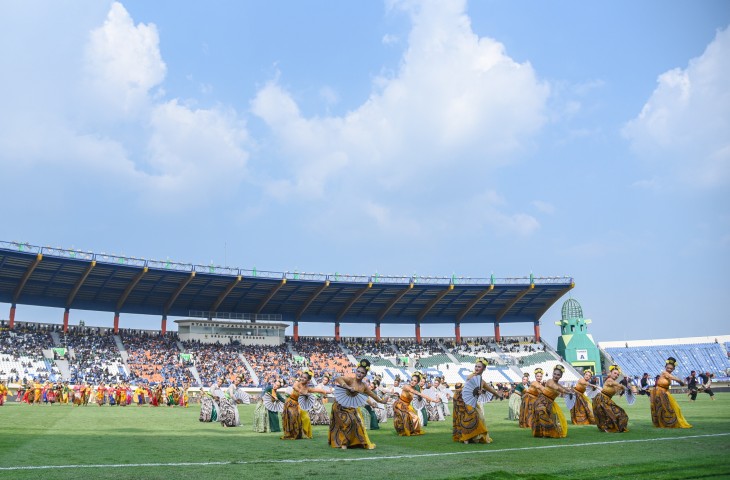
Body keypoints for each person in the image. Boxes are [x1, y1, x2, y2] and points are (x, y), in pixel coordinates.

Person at [328, 359, 386, 449]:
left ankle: (354, 442)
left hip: (351, 408)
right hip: (340, 406)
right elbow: (338, 378)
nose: (359, 374)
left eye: (362, 373)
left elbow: (370, 395)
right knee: (348, 420)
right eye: (358, 371)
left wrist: (380, 402)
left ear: (365, 375)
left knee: (357, 422)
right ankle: (343, 443)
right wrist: (347, 387)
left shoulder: (364, 386)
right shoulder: (350, 380)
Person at [452, 358, 504, 444]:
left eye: (479, 367)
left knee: (479, 418)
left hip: (472, 401)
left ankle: (471, 437)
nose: (476, 368)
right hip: (463, 399)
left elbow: (491, 390)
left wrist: (498, 395)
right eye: (475, 366)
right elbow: (469, 382)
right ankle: (466, 438)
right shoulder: (471, 376)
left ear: (484, 368)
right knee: (469, 417)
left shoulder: (482, 381)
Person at [281, 368, 329, 440]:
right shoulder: (298, 383)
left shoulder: (307, 388)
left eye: (305, 378)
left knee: (306, 418)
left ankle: (304, 434)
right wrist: (302, 391)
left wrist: (324, 391)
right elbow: (294, 387)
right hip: (290, 403)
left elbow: (316, 390)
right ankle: (292, 434)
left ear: (308, 380)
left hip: (298, 405)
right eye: (302, 377)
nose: (302, 379)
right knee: (293, 417)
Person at [532, 365, 574, 438]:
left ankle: (546, 434)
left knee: (550, 419)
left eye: (558, 375)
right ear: (552, 374)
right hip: (542, 401)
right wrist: (567, 392)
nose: (556, 376)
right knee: (543, 415)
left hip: (550, 403)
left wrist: (571, 391)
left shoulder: (559, 384)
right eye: (554, 374)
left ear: (561, 376)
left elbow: (563, 388)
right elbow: (556, 388)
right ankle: (546, 433)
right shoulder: (549, 381)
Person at [650, 357, 691, 429]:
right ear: (665, 367)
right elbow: (673, 378)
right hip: (659, 392)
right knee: (663, 409)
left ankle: (667, 423)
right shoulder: (664, 373)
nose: (669, 369)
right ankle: (664, 423)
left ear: (673, 369)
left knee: (670, 408)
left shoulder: (668, 375)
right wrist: (681, 382)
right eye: (668, 368)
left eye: (671, 369)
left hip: (664, 392)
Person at [393, 372, 436, 436]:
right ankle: (403, 431)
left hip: (407, 406)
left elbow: (420, 395)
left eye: (415, 381)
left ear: (417, 383)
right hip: (400, 405)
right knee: (405, 417)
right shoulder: (406, 387)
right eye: (412, 380)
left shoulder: (415, 389)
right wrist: (432, 400)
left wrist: (433, 400)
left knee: (415, 418)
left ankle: (413, 431)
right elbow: (417, 393)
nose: (412, 382)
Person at [593, 365, 629, 433]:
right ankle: (608, 428)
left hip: (607, 399)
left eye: (618, 374)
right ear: (610, 373)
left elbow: (618, 389)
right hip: (601, 399)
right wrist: (624, 387)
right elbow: (616, 384)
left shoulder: (615, 383)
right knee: (612, 414)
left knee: (618, 413)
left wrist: (624, 390)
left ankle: (610, 428)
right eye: (615, 373)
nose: (616, 375)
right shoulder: (610, 380)